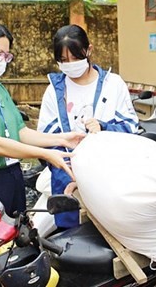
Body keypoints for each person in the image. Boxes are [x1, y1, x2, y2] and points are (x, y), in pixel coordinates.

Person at [0, 19, 85, 217]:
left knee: (16, 240)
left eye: (6, 55)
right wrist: (46, 154)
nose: (2, 60)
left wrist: (62, 139)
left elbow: (20, 132)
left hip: (12, 176)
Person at [37, 24, 139, 228]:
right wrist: (70, 173)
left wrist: (103, 127)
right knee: (72, 239)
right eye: (63, 60)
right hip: (66, 177)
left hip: (109, 175)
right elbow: (46, 139)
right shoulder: (54, 91)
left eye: (75, 58)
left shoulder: (113, 84)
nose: (70, 64)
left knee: (108, 235)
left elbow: (131, 127)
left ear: (89, 50)